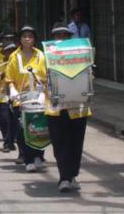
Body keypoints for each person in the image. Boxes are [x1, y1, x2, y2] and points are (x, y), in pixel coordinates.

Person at [46, 22, 91, 192]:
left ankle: (72, 175)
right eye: (58, 36)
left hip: (77, 106)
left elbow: (88, 75)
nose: (61, 39)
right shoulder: (46, 56)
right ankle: (64, 177)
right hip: (56, 107)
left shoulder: (79, 55)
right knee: (60, 142)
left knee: (76, 143)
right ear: (53, 38)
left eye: (65, 36)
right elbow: (40, 77)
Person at [5, 25, 47, 172]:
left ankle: (39, 156)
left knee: (40, 127)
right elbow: (9, 77)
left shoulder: (40, 55)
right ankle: (28, 158)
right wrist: (12, 89)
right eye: (24, 36)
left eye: (30, 36)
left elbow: (46, 75)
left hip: (39, 97)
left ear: (34, 39)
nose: (27, 39)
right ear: (20, 39)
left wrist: (43, 90)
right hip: (20, 98)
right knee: (23, 129)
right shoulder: (14, 56)